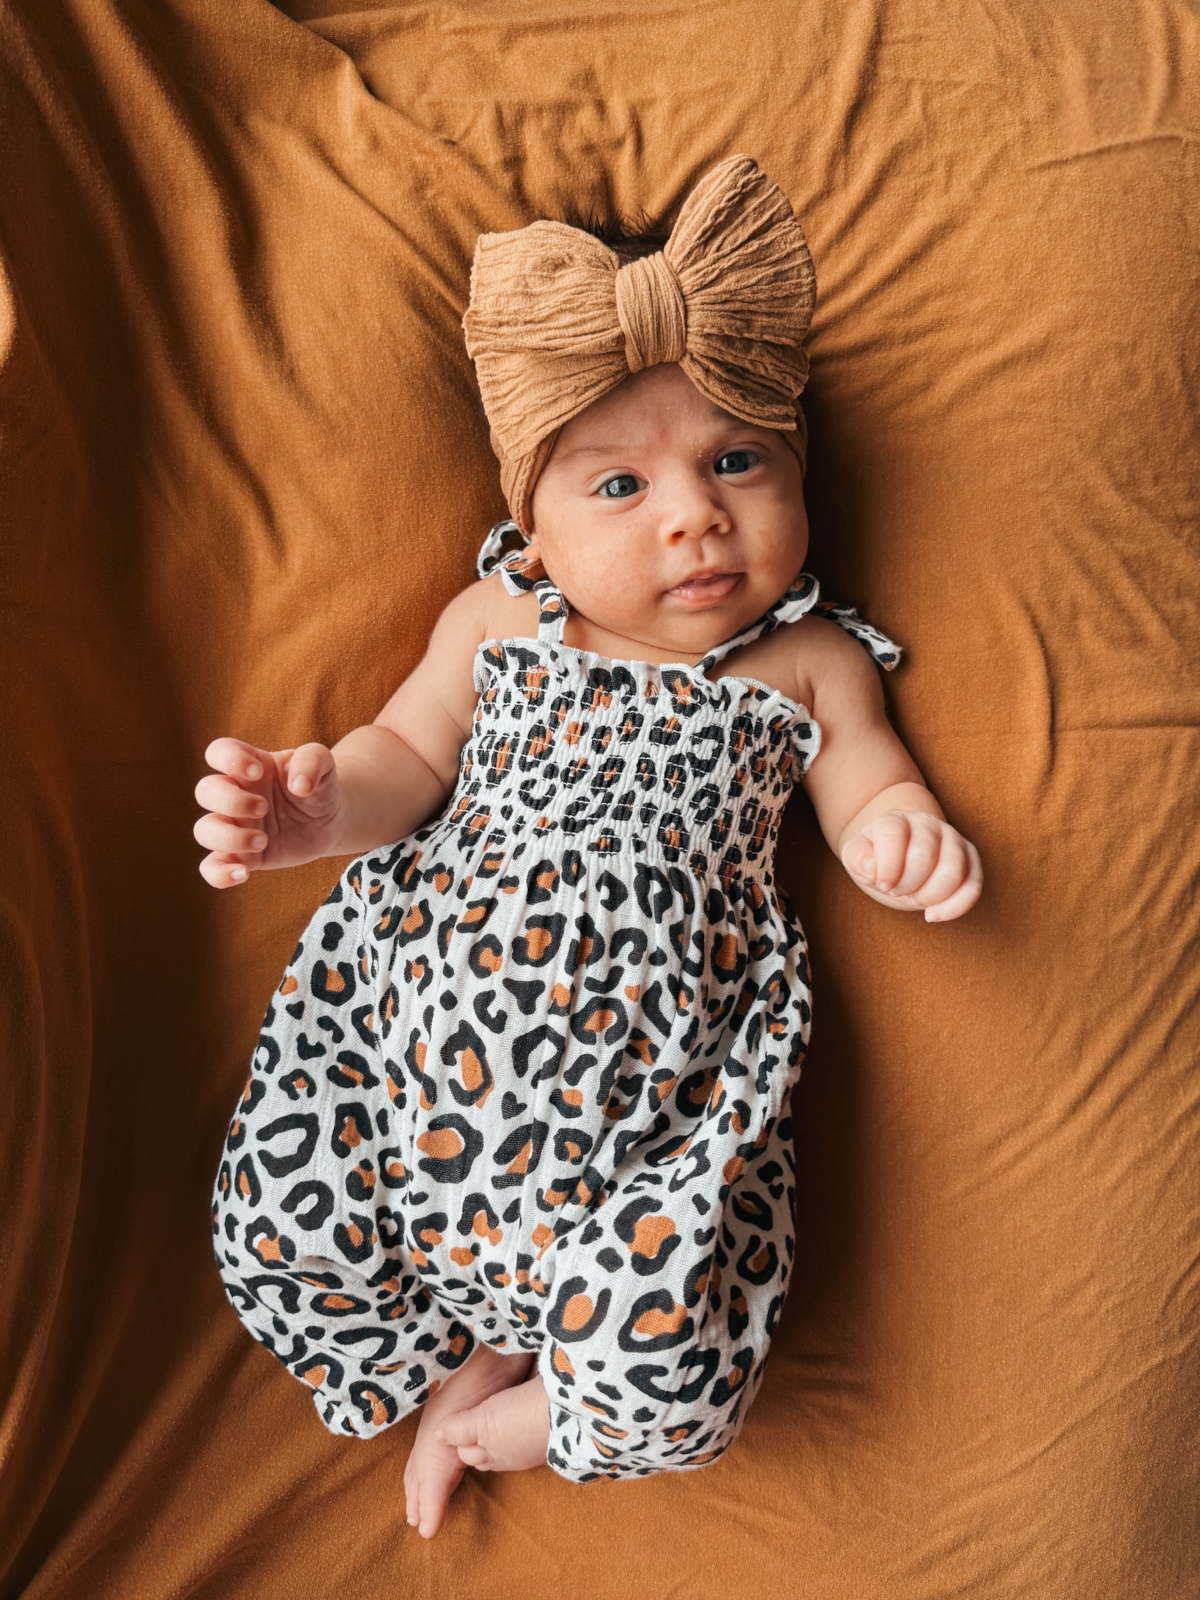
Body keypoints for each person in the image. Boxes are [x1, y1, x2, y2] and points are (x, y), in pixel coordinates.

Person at [197, 154, 982, 1539]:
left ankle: (529, 1416)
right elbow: (402, 758)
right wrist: (316, 814)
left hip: (656, 1110)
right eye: (619, 484)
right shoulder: (500, 623)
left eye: (737, 461)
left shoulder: (806, 660)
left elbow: (869, 784)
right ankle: (445, 1355)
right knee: (277, 1219)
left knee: (687, 1343)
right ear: (531, 525)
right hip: (414, 1064)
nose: (694, 514)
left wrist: (898, 837)